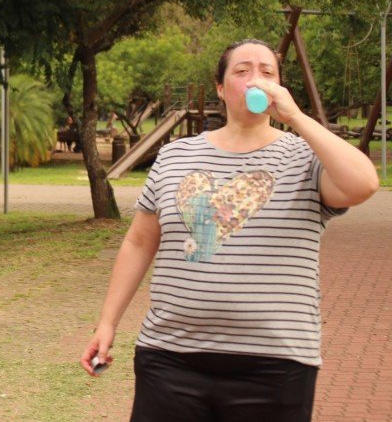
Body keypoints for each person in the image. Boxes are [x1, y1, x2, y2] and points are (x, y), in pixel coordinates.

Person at [81, 39, 379, 421]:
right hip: (171, 358)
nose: (256, 80)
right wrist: (107, 323)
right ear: (221, 88)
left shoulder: (306, 159)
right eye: (242, 71)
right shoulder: (174, 157)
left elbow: (364, 184)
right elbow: (139, 243)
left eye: (267, 72)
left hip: (275, 366)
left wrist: (299, 119)